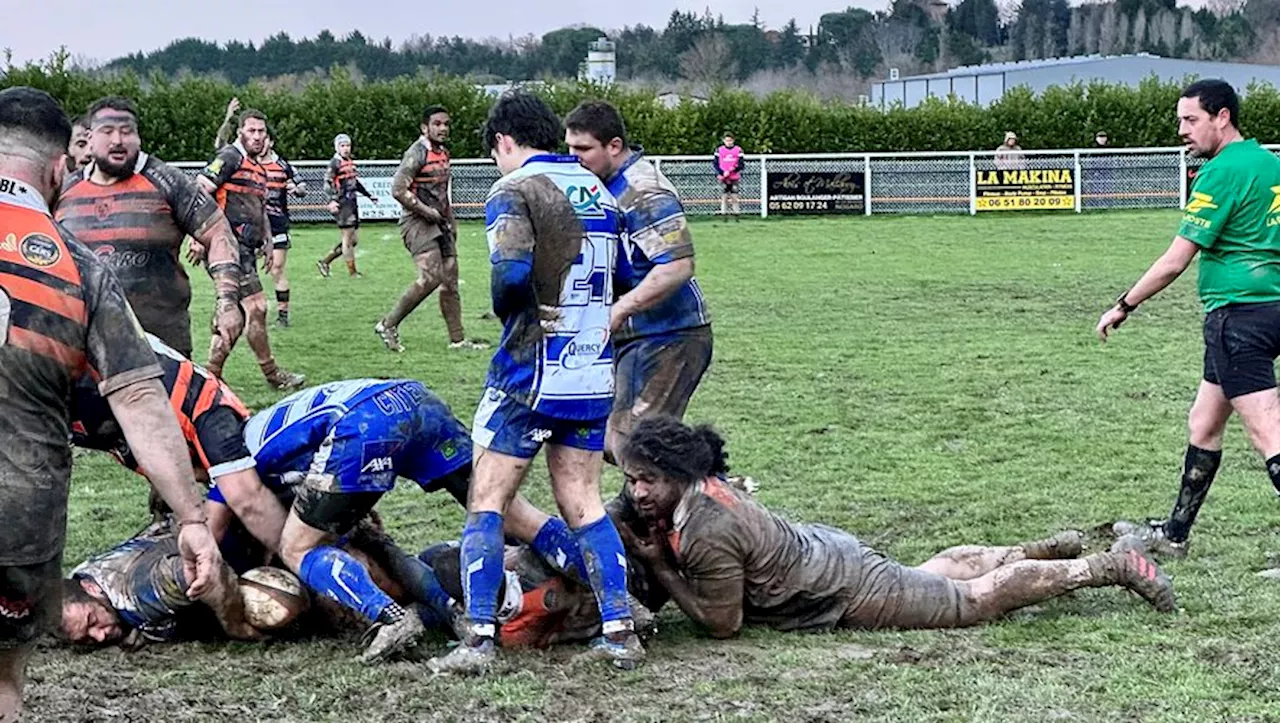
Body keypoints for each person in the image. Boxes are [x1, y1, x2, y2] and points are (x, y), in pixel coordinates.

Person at [0, 86, 223, 720]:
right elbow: (141, 403)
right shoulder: (81, 269)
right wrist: (190, 519)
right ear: (58, 169)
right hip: (16, 521)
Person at [428, 90, 641, 676]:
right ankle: (620, 630)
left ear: (503, 141)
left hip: (530, 372)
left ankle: (477, 639)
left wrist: (516, 314)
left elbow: (511, 275)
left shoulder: (514, 189)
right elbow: (624, 276)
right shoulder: (599, 189)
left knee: (487, 499)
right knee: (584, 502)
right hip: (592, 370)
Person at [615, 417, 1175, 640]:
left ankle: (1104, 566)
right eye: (634, 480)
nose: (638, 493)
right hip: (834, 558)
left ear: (679, 474)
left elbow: (722, 624)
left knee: (970, 602)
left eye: (647, 480)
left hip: (842, 585)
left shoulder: (709, 529)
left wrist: (662, 566)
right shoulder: (705, 489)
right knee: (931, 574)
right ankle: (1044, 547)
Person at [245, 377, 587, 664]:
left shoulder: (228, 458)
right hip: (417, 401)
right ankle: (612, 595)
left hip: (364, 427)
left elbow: (233, 513)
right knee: (513, 514)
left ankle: (389, 617)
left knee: (297, 548)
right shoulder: (258, 425)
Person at [1096, 79, 1280, 560]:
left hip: (1238, 317)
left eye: (1190, 119)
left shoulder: (1219, 173)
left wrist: (1124, 304)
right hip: (1270, 309)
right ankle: (1175, 534)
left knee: (1269, 433)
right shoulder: (1268, 164)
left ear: (1222, 117)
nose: (1182, 129)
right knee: (1203, 421)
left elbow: (1175, 261)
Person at [565, 100, 713, 463]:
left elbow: (677, 266)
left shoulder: (642, 192)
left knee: (636, 447)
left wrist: (619, 309)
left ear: (613, 146)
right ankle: (702, 480)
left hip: (672, 334)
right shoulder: (605, 185)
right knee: (618, 442)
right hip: (638, 334)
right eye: (569, 148)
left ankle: (708, 490)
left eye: (583, 149)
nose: (573, 158)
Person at [55, 96, 245, 360]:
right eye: (107, 131)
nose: (117, 140)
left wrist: (227, 301)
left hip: (162, 345)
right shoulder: (63, 191)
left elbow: (218, 233)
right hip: (82, 344)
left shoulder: (168, 181)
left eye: (127, 131)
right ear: (90, 137)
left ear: (139, 136)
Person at [70, 333, 288, 553]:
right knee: (230, 499)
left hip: (149, 407)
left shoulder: (209, 414)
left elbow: (246, 500)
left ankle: (288, 560)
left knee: (238, 497)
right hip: (101, 400)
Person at [197, 108, 304, 390]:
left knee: (236, 314)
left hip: (245, 249)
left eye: (261, 132)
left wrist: (268, 240)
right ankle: (272, 375)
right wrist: (198, 235)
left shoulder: (257, 167)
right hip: (225, 248)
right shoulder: (230, 157)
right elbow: (199, 191)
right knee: (256, 306)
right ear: (240, 132)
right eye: (252, 131)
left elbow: (259, 207)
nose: (257, 136)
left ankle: (210, 377)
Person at [377, 104, 487, 353]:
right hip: (417, 223)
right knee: (431, 277)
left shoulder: (443, 153)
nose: (443, 128)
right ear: (424, 127)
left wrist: (451, 222)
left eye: (446, 124)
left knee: (450, 280)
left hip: (441, 222)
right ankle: (388, 324)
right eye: (437, 124)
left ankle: (458, 340)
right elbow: (398, 189)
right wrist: (427, 212)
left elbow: (442, 194)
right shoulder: (417, 153)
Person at [59, 522, 258, 648]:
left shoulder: (140, 593)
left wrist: (235, 624)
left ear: (90, 588)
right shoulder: (79, 581)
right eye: (87, 639)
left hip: (248, 543)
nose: (100, 637)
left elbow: (202, 571)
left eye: (92, 621)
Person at [316, 134, 374, 279]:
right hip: (342, 204)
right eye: (342, 146)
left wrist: (368, 195)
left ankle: (325, 261)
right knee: (348, 239)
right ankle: (353, 272)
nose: (346, 148)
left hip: (352, 203)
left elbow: (354, 182)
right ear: (337, 147)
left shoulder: (349, 162)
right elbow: (328, 182)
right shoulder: (334, 163)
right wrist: (332, 200)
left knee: (353, 240)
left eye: (347, 145)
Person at [712, 133, 743, 220]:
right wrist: (722, 172)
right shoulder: (719, 150)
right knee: (724, 196)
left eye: (730, 140)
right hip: (723, 177)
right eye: (726, 140)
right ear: (724, 141)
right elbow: (715, 164)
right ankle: (723, 214)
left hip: (734, 177)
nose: (728, 142)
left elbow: (741, 165)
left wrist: (731, 170)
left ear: (733, 140)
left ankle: (736, 214)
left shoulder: (738, 150)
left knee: (734, 196)